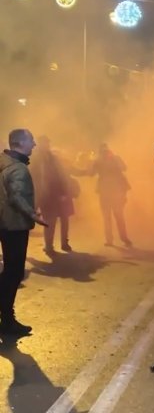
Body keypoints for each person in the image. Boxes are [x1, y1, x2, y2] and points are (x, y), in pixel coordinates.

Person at [0, 129, 48, 336]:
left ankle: (6, 318)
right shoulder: (18, 169)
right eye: (31, 141)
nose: (34, 144)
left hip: (3, 223)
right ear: (20, 143)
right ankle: (7, 321)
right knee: (14, 272)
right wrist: (33, 215)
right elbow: (16, 195)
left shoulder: (3, 163)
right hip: (15, 225)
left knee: (9, 272)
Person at [79, 143, 132, 247]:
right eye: (103, 151)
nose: (105, 153)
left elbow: (124, 167)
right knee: (108, 217)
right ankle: (111, 239)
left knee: (118, 216)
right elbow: (91, 173)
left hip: (116, 191)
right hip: (106, 191)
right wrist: (90, 164)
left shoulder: (115, 158)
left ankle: (122, 238)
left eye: (105, 151)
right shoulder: (98, 161)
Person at [30, 136, 75, 253]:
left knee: (64, 219)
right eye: (44, 143)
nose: (46, 145)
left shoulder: (54, 158)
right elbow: (31, 175)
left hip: (56, 193)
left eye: (47, 143)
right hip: (44, 195)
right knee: (49, 221)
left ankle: (64, 243)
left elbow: (62, 175)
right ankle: (49, 245)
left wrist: (64, 191)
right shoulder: (34, 158)